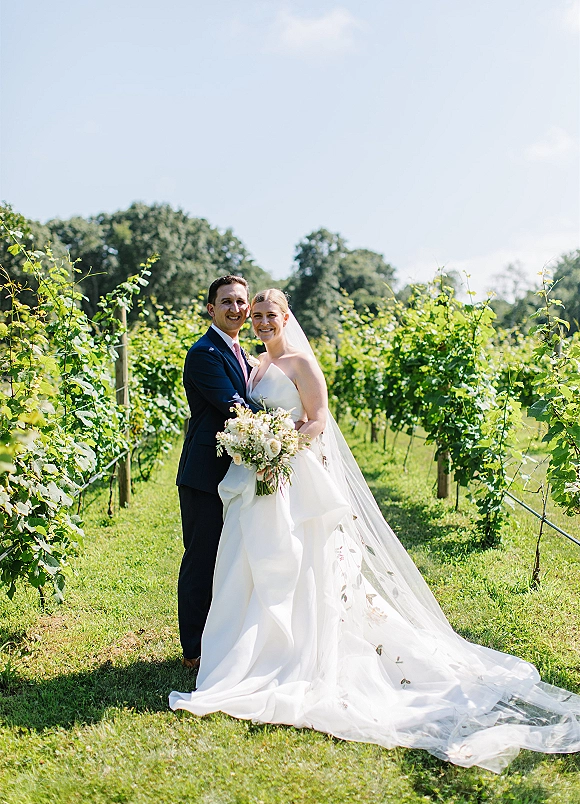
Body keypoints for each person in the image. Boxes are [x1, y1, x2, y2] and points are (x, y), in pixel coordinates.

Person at [170, 289, 580, 772]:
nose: (258, 320)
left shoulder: (302, 363)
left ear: (286, 317)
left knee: (299, 561)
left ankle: (297, 649)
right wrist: (262, 446)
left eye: (267, 314)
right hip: (255, 478)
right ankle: (243, 647)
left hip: (291, 475)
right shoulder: (251, 364)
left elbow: (318, 420)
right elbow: (239, 411)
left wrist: (279, 446)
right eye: (253, 314)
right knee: (247, 561)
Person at [175, 275, 260, 670]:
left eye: (241, 302)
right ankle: (193, 649)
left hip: (238, 474)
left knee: (231, 558)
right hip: (205, 474)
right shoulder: (205, 353)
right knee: (202, 558)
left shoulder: (246, 353)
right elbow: (234, 406)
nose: (236, 309)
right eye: (226, 302)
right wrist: (288, 421)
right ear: (211, 309)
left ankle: (224, 635)